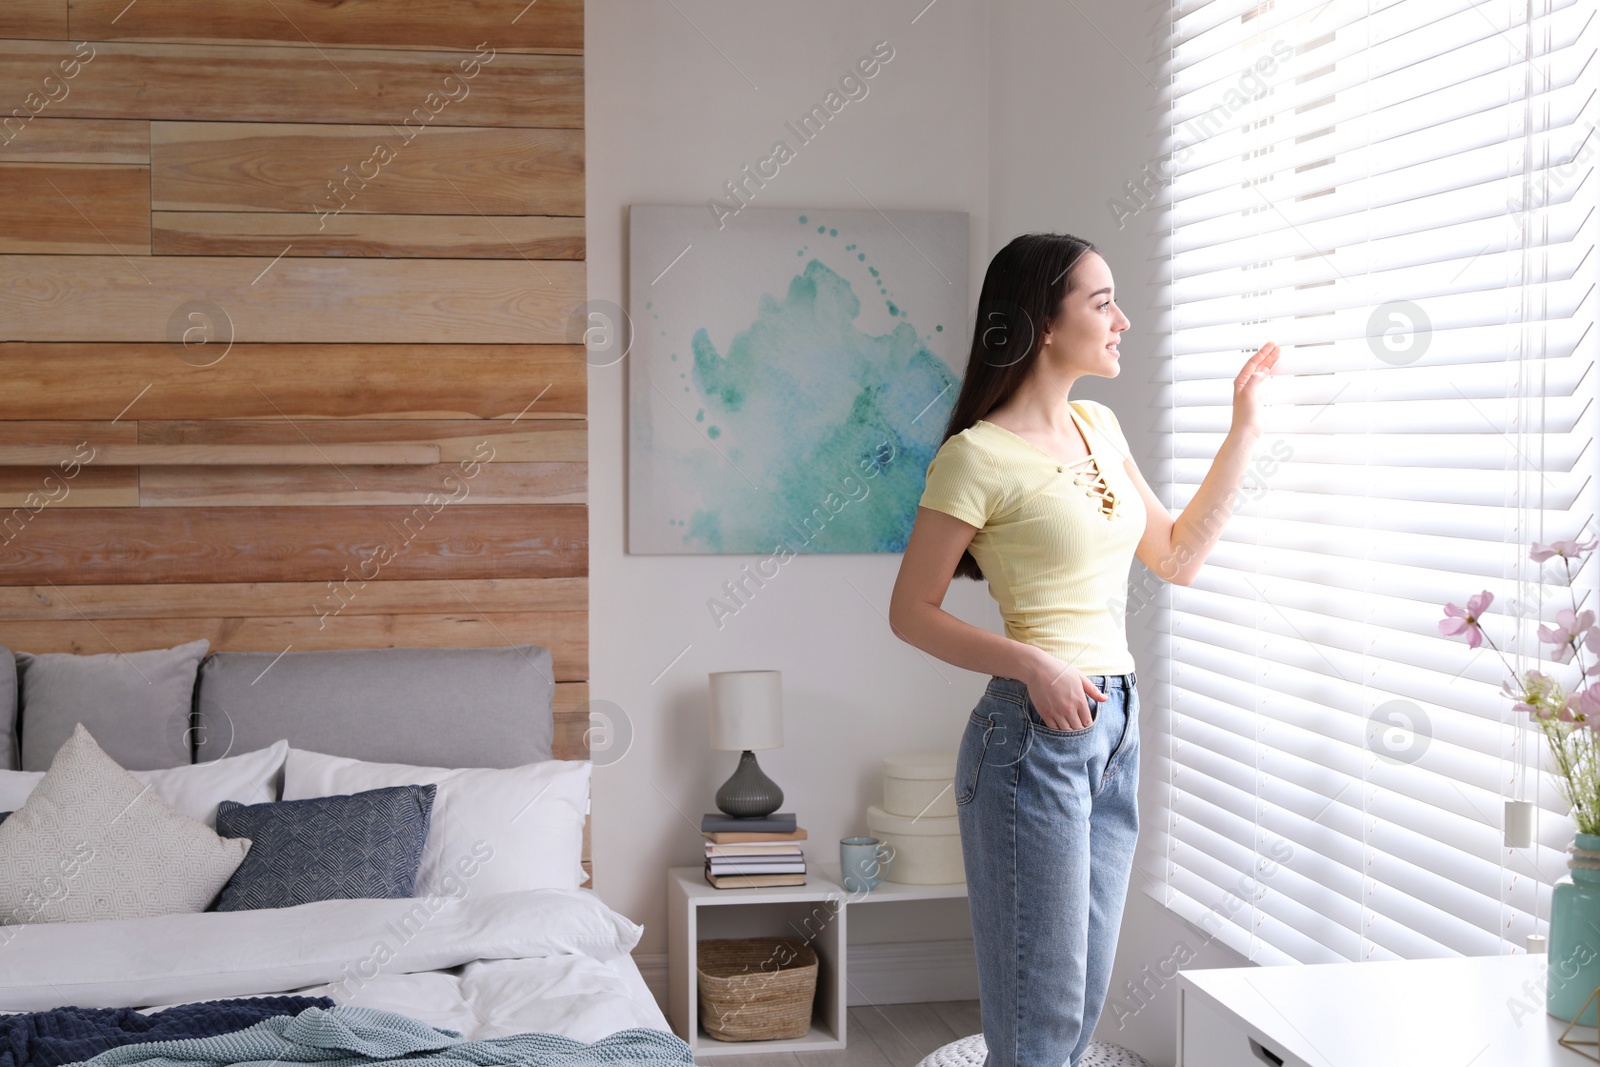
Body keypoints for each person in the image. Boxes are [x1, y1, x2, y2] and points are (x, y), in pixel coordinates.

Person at [888, 232, 1278, 1067]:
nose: (1122, 320)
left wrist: (1244, 428)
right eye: (1102, 303)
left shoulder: (1100, 425)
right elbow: (910, 611)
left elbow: (1176, 556)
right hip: (1032, 737)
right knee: (1039, 1019)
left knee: (1072, 1011)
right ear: (1043, 324)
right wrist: (1032, 662)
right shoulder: (977, 456)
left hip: (1116, 726)